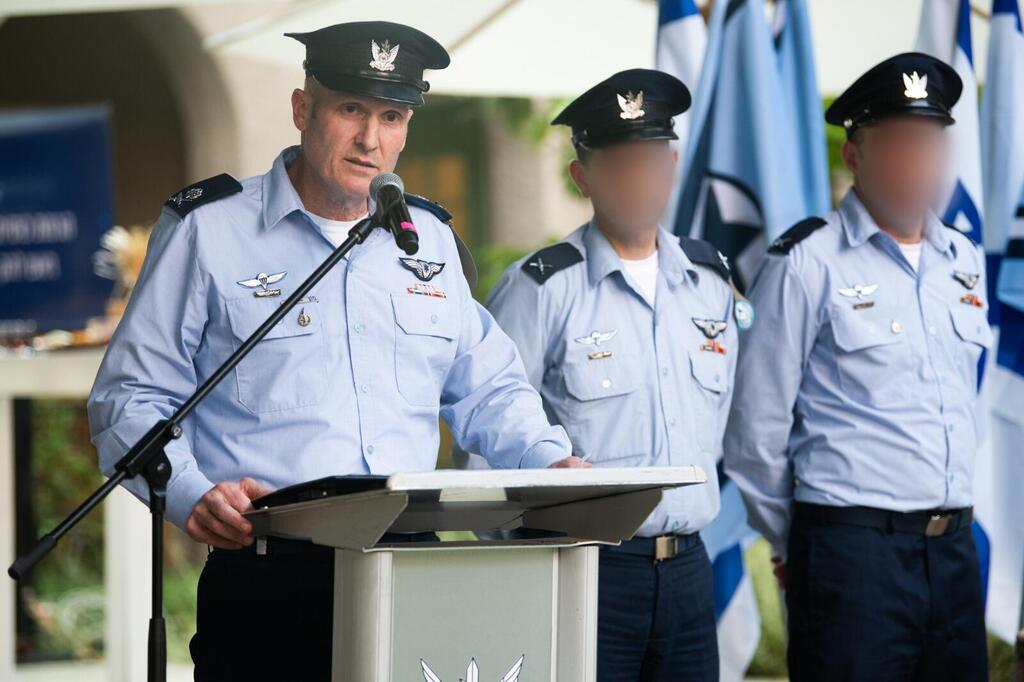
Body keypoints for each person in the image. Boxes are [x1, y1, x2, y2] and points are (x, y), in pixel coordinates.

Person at [86, 21, 582, 682]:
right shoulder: (209, 230)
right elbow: (129, 396)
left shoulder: (425, 238)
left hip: (409, 566)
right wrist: (190, 491)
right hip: (271, 573)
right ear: (302, 108)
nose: (370, 138)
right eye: (350, 108)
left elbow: (490, 387)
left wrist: (549, 463)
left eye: (392, 115)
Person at [724, 52, 991, 681]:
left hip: (951, 551)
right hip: (851, 554)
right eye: (897, 145)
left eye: (928, 146)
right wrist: (807, 543)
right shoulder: (808, 263)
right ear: (854, 156)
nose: (917, 164)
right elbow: (753, 430)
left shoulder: (963, 261)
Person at [483, 68, 740, 681]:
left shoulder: (709, 282)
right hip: (583, 570)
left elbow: (728, 424)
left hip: (687, 569)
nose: (638, 179)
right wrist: (517, 571)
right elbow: (487, 442)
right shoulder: (540, 287)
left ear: (672, 166)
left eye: (650, 160)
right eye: (618, 162)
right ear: (583, 176)